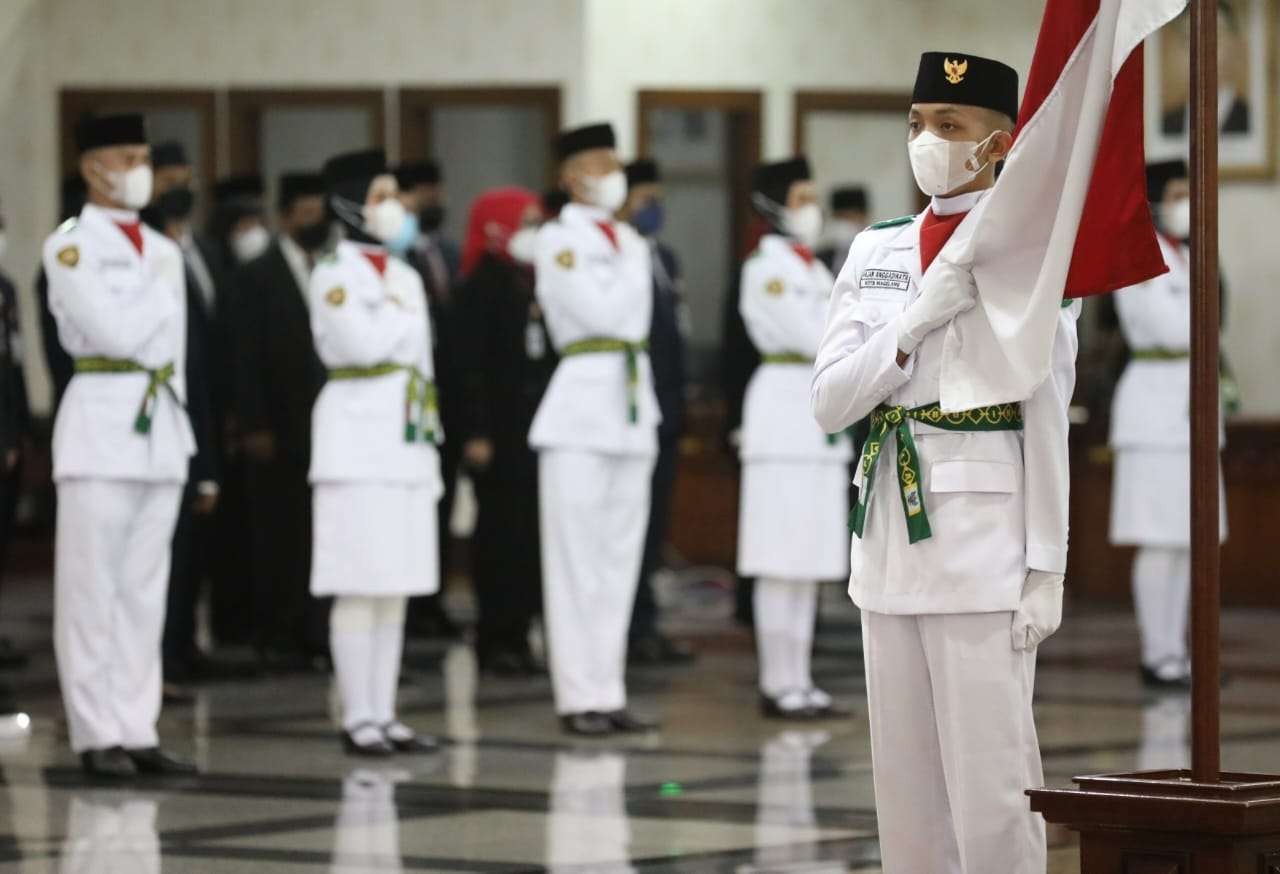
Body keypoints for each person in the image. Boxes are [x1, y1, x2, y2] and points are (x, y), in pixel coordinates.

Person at [811, 53, 1079, 872]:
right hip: (886, 539)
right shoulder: (875, 249)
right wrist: (908, 327)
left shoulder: (1029, 255)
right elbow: (830, 401)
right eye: (918, 122)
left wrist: (1048, 565)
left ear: (997, 145)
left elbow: (1047, 412)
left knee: (992, 780)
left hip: (983, 542)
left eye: (950, 126)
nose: (927, 140)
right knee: (905, 785)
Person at [44, 113, 198, 777]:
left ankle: (136, 725)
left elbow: (177, 353)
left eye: (143, 154)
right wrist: (155, 306)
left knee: (144, 589)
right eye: (127, 155)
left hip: (159, 427)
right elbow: (111, 332)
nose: (139, 168)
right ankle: (94, 731)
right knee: (91, 590)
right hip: (101, 424)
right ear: (92, 168)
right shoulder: (71, 246)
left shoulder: (163, 250)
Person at [531, 123, 660, 736]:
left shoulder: (632, 242)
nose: (614, 174)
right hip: (580, 405)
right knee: (575, 559)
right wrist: (619, 284)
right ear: (570, 177)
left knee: (618, 560)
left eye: (617, 162)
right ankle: (577, 695)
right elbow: (604, 313)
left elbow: (638, 319)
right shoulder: (557, 239)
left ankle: (607, 690)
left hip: (632, 406)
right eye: (601, 162)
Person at [311, 148, 440, 756]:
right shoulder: (334, 272)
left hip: (406, 441)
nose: (398, 207)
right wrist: (396, 321)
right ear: (352, 204)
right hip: (357, 441)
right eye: (384, 195)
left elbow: (417, 357)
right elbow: (360, 346)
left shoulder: (406, 275)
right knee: (357, 583)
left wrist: (393, 317)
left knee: (396, 585)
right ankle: (356, 714)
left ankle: (384, 711)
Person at [737, 157, 849, 720]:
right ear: (774, 204)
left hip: (814, 417)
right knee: (778, 558)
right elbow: (818, 334)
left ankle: (800, 677)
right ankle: (776, 680)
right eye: (801, 196)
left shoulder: (815, 269)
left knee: (807, 559)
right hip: (782, 412)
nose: (811, 208)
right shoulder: (768, 268)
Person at [1109, 159, 1225, 690]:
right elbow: (1170, 325)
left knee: (1187, 539)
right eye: (1177, 193)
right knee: (1158, 538)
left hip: (1190, 402)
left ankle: (1179, 650)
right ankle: (1156, 652)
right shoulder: (1139, 254)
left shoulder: (1188, 256)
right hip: (1153, 410)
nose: (1186, 203)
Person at [454, 187, 554, 676]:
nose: (535, 232)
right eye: (527, 222)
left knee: (530, 539)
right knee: (499, 538)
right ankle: (495, 638)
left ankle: (521, 633)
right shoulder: (480, 286)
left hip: (532, 432)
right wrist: (475, 431)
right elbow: (466, 367)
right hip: (496, 434)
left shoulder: (532, 280)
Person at [236, 171, 331, 667]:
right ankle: (278, 633)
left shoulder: (330, 269)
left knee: (317, 535)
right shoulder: (258, 275)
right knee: (278, 534)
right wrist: (254, 424)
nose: (316, 223)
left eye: (322, 214)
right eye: (308, 214)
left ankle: (314, 631)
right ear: (286, 216)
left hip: (326, 428)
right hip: (277, 424)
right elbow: (246, 356)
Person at [138, 141, 220, 695]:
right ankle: (150, 667)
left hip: (190, 415)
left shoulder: (196, 252)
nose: (180, 188)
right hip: (138, 417)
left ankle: (176, 649)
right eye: (169, 178)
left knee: (183, 552)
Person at [617, 159, 694, 666]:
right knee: (626, 525)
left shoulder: (663, 257)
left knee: (653, 524)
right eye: (646, 200)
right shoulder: (614, 254)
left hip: (664, 406)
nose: (654, 209)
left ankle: (645, 621)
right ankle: (627, 626)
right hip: (626, 403)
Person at [395, 160, 462, 641]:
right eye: (424, 193)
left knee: (441, 504)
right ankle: (411, 605)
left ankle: (432, 600)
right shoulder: (397, 262)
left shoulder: (449, 252)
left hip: (448, 399)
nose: (433, 201)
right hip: (404, 403)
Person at [816, 186, 870, 276]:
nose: (844, 223)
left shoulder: (875, 256)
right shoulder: (820, 258)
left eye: (849, 216)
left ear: (863, 217)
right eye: (839, 217)